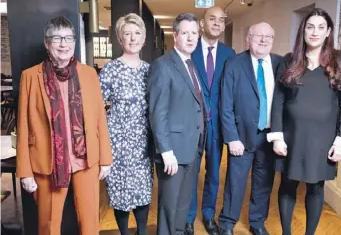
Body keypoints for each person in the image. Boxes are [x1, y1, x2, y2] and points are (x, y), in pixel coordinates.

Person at [16, 16, 112, 235]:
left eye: (69, 38)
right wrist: (25, 172)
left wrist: (106, 158)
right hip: (47, 163)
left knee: (90, 224)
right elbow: (23, 127)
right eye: (57, 38)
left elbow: (100, 119)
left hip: (86, 160)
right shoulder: (30, 76)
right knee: (49, 226)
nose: (64, 44)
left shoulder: (88, 74)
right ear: (47, 43)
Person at [267, 8, 341, 235]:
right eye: (310, 27)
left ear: (328, 32)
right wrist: (277, 137)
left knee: (316, 187)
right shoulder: (289, 61)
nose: (315, 32)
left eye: (320, 27)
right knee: (288, 185)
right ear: (303, 30)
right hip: (291, 136)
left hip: (323, 139)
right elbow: (278, 102)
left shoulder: (339, 61)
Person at [218, 22, 283, 235]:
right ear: (248, 39)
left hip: (270, 136)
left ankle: (257, 222)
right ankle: (227, 223)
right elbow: (225, 103)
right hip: (242, 137)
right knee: (235, 183)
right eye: (258, 36)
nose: (263, 40)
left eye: (268, 37)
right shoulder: (235, 63)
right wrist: (232, 137)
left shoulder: (280, 64)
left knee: (264, 183)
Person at [148, 13, 207, 235]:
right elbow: (157, 112)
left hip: (192, 146)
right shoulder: (163, 66)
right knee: (169, 207)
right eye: (185, 33)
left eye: (194, 33)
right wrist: (166, 151)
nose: (191, 38)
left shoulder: (191, 64)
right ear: (176, 36)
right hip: (172, 150)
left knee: (182, 205)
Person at [99, 13, 153, 235]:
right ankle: (123, 232)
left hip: (144, 142)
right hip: (118, 143)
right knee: (120, 193)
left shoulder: (150, 70)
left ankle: (141, 231)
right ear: (120, 39)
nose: (133, 38)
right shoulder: (110, 69)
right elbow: (96, 107)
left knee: (143, 190)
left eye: (137, 33)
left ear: (144, 38)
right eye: (127, 34)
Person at [185, 6, 235, 235]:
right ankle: (187, 218)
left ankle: (208, 215)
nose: (216, 23)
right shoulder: (188, 50)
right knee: (190, 174)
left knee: (214, 173)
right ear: (202, 23)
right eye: (211, 19)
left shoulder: (229, 54)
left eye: (221, 20)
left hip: (217, 125)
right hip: (192, 124)